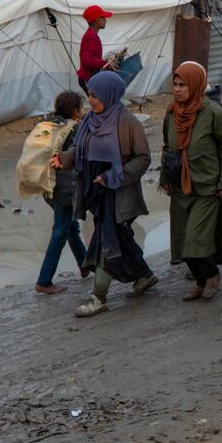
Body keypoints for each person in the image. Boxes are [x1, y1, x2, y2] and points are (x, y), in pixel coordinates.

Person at [55, 70, 156, 318]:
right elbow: (79, 147)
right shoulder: (89, 121)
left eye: (95, 95)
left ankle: (98, 297)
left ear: (110, 95)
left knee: (105, 242)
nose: (90, 100)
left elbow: (143, 158)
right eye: (89, 95)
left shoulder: (128, 122)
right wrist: (64, 159)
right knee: (119, 237)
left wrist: (113, 177)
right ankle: (144, 276)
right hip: (94, 192)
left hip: (117, 193)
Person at [162, 61, 222, 302]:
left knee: (196, 239)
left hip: (206, 187)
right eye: (175, 84)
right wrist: (165, 177)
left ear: (195, 85)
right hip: (180, 187)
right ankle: (200, 281)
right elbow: (167, 147)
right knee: (181, 240)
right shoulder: (172, 113)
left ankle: (212, 275)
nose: (177, 89)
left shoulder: (212, 112)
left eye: (182, 85)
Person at [34, 90, 89, 294]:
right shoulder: (76, 128)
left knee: (70, 225)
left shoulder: (46, 125)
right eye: (81, 108)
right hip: (67, 188)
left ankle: (85, 265)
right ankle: (44, 280)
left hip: (47, 185)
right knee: (60, 231)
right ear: (75, 111)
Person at [77, 5, 115, 90]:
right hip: (88, 78)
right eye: (104, 18)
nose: (106, 20)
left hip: (89, 77)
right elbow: (88, 60)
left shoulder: (91, 35)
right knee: (99, 102)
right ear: (97, 20)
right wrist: (106, 63)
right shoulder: (91, 36)